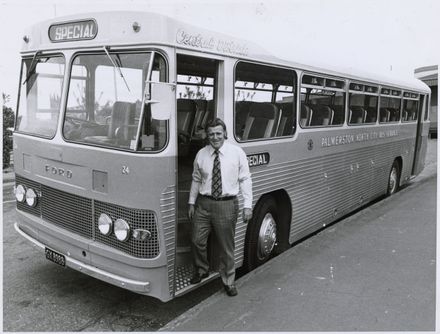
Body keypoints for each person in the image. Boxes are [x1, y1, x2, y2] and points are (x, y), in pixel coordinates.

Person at [188, 118, 253, 297]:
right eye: (211, 134)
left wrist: (248, 205)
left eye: (218, 133)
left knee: (226, 247)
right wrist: (191, 202)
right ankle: (202, 270)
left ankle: (228, 281)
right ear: (207, 136)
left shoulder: (237, 153)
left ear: (224, 133)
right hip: (204, 203)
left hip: (226, 205)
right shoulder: (201, 154)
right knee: (196, 240)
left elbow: (245, 179)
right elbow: (196, 179)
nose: (215, 137)